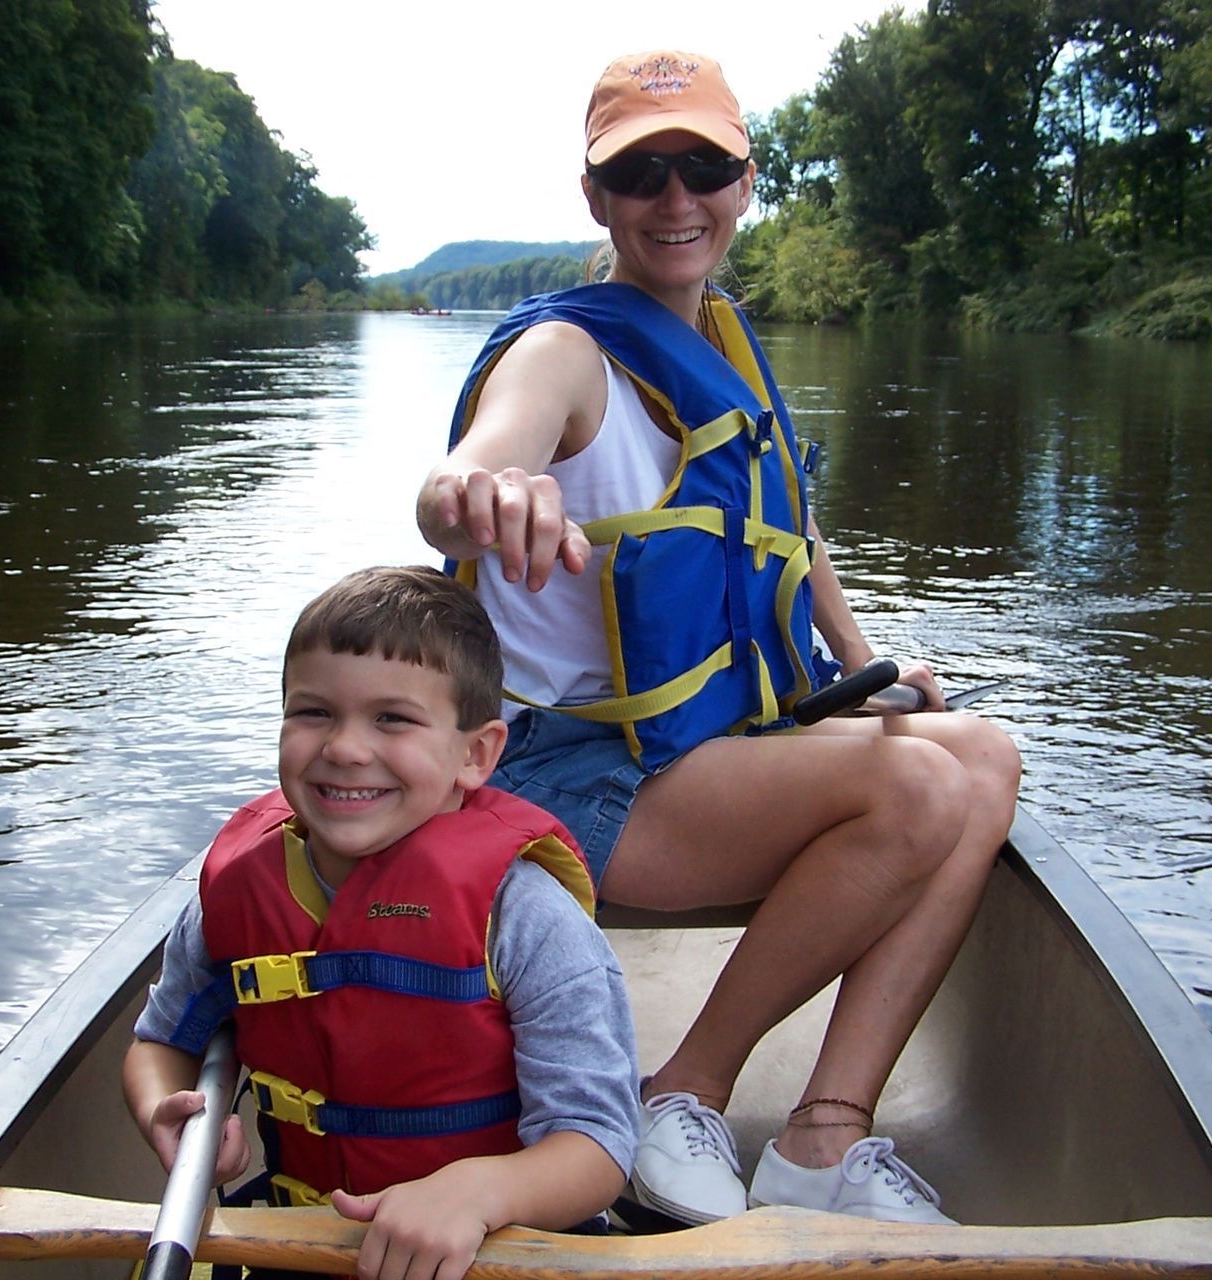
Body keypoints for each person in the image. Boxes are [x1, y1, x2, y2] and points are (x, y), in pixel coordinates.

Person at [416, 51, 1022, 1227]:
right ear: (597, 199)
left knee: (981, 755)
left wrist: (860, 667)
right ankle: (681, 1088)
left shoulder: (723, 349)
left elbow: (789, 528)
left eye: (704, 165)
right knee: (916, 794)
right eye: (641, 172)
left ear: (747, 182)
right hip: (562, 776)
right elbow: (466, 472)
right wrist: (482, 494)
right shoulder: (565, 353)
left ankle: (824, 1137)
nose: (676, 197)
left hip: (690, 750)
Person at [124, 566, 638, 1280]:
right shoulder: (234, 896)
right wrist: (164, 1109)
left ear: (476, 753)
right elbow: (160, 1044)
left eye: (392, 719)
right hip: (304, 1242)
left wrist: (477, 1194)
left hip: (497, 1251)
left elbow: (597, 1142)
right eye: (312, 713)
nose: (344, 748)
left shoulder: (526, 916)